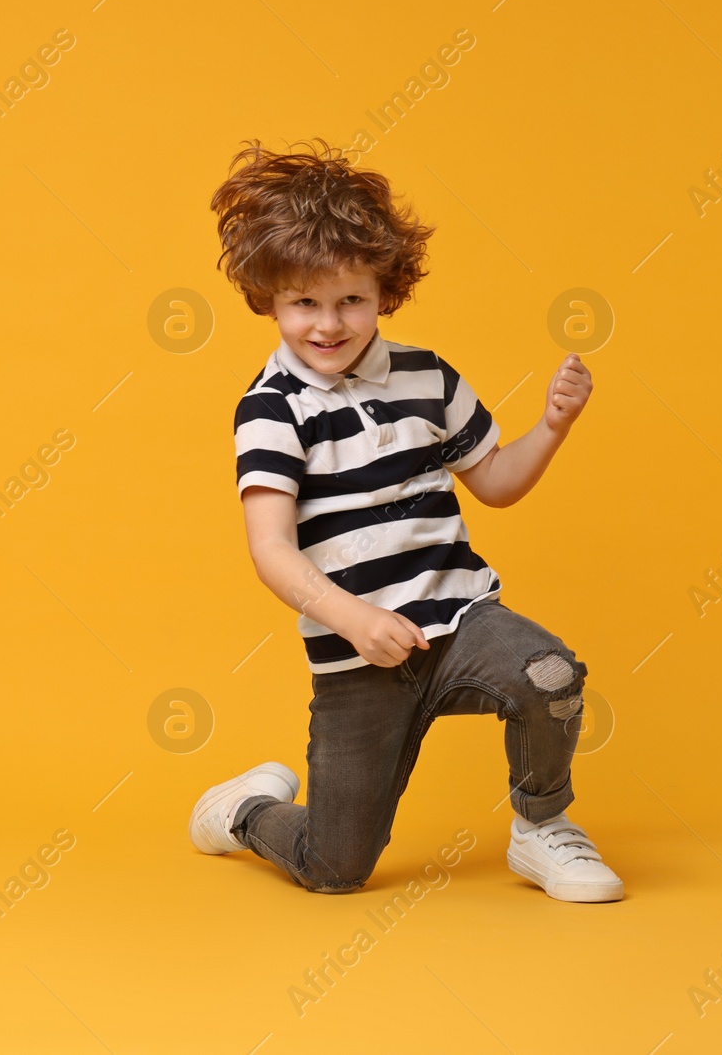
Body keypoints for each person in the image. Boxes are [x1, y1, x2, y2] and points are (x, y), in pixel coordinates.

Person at [190, 137, 622, 903]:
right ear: (269, 298)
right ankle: (247, 810)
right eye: (304, 303)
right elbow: (271, 550)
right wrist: (351, 617)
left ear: (385, 290)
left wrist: (552, 425)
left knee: (549, 674)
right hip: (359, 654)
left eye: (350, 299)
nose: (328, 324)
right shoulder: (270, 410)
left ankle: (542, 826)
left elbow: (495, 481)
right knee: (336, 866)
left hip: (459, 618)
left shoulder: (428, 376)